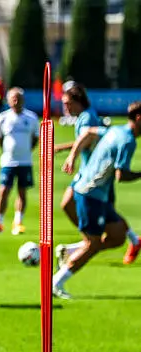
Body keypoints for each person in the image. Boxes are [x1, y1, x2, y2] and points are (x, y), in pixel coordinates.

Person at [52, 102, 141, 299]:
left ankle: (70, 251)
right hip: (91, 194)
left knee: (118, 235)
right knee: (93, 244)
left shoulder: (116, 130)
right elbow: (121, 175)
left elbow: (89, 132)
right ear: (139, 118)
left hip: (96, 193)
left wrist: (73, 155)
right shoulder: (128, 141)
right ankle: (55, 282)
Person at [0, 88, 40, 236]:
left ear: (23, 100)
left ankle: (18, 222)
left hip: (25, 161)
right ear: (8, 100)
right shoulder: (2, 117)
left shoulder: (32, 118)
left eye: (18, 98)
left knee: (22, 192)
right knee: (3, 191)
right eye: (13, 98)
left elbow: (35, 138)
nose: (16, 101)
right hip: (8, 161)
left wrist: (26, 150)